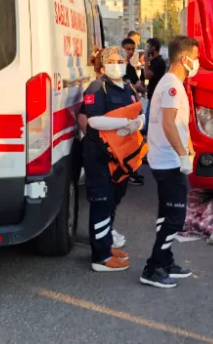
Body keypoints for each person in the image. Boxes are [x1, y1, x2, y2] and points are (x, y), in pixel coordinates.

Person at [141, 35, 199, 289]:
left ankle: (165, 260)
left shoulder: (172, 83)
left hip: (168, 158)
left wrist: (189, 148)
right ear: (184, 58)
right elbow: (167, 124)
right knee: (175, 216)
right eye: (195, 58)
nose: (197, 63)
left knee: (167, 213)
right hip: (167, 161)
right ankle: (153, 268)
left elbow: (178, 124)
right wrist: (182, 154)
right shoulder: (172, 86)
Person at [78, 47, 142, 270]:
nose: (118, 64)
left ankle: (105, 244)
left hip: (120, 156)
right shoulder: (97, 88)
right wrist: (126, 123)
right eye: (112, 61)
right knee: (102, 203)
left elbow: (138, 111)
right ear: (103, 67)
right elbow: (94, 121)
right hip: (100, 155)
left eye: (121, 60)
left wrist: (138, 122)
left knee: (113, 200)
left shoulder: (127, 87)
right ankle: (101, 257)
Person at [121, 36, 146, 187]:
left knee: (133, 143)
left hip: (131, 111)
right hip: (119, 112)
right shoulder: (117, 67)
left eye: (132, 49)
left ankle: (132, 171)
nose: (130, 52)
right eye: (127, 49)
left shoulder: (129, 68)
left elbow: (137, 84)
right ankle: (127, 172)